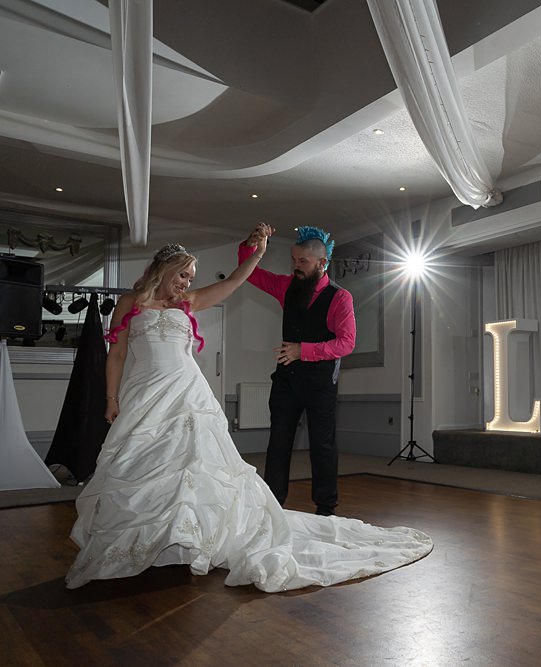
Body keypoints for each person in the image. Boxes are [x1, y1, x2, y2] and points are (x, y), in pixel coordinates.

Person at [66, 237, 431, 592]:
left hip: (187, 392)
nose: (186, 283)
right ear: (164, 269)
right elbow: (116, 355)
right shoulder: (130, 302)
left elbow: (238, 280)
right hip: (145, 391)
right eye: (182, 276)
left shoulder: (189, 303)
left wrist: (257, 255)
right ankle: (148, 539)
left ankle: (192, 536)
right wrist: (111, 398)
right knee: (144, 465)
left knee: (195, 467)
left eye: (191, 278)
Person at [237, 223, 353, 517]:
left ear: (322, 262)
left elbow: (347, 343)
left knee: (322, 446)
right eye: (293, 260)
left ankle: (326, 508)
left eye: (303, 261)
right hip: (286, 381)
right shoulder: (287, 286)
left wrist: (304, 350)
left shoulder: (340, 298)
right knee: (278, 443)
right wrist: (251, 244)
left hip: (320, 383)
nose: (296, 266)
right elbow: (248, 270)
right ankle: (273, 505)